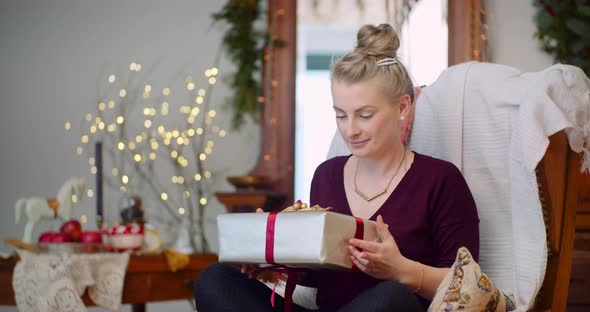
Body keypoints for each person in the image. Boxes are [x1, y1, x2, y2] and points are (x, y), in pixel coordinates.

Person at [194, 23, 479, 312]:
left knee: (389, 298)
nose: (350, 130)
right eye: (340, 115)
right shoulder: (327, 175)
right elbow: (322, 278)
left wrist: (401, 269)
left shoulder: (441, 179)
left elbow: (465, 283)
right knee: (215, 279)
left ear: (403, 107)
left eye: (364, 115)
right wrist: (272, 260)